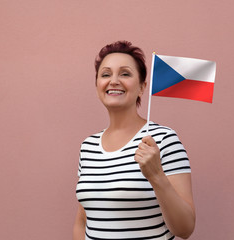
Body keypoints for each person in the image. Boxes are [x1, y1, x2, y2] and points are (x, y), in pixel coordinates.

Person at [73, 41, 195, 240]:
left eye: (125, 73)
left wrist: (156, 175)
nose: (113, 81)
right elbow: (83, 222)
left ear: (141, 87)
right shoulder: (88, 146)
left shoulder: (164, 139)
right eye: (105, 74)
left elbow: (185, 229)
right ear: (97, 86)